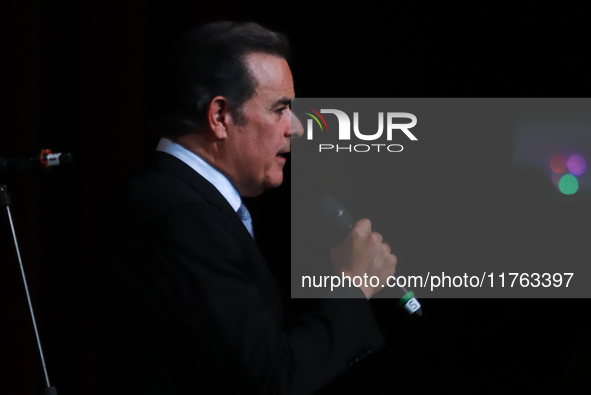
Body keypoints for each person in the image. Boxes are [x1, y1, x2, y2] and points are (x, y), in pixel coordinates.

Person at [86, 21, 397, 395]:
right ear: (220, 117)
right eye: (281, 108)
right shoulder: (183, 218)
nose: (296, 127)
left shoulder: (175, 197)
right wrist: (354, 286)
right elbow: (272, 381)